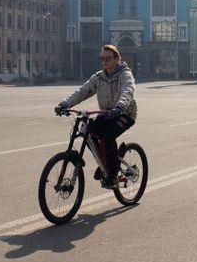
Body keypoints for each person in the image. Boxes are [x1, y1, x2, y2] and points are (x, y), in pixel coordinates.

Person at [55, 44, 137, 188]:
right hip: (106, 113)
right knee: (88, 132)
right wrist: (65, 104)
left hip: (124, 113)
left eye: (108, 58)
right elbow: (83, 91)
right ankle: (105, 162)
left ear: (116, 59)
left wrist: (119, 107)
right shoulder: (99, 77)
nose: (104, 61)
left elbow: (127, 91)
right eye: (102, 58)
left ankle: (112, 174)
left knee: (107, 136)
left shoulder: (125, 75)